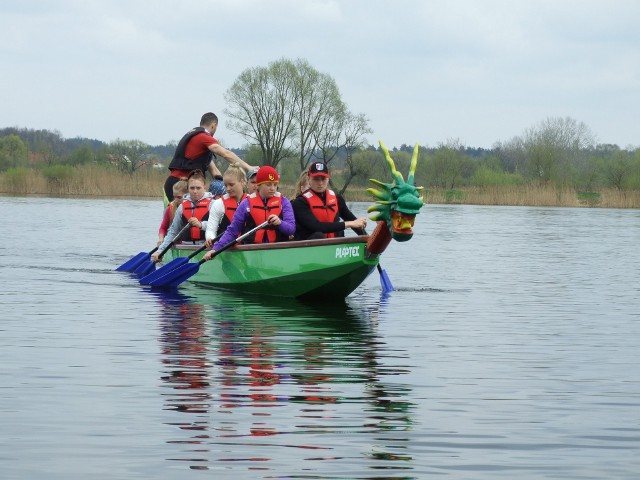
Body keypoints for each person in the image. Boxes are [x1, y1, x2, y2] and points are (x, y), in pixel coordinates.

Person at [203, 166, 295, 259]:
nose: (272, 188)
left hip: (277, 251)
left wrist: (280, 223)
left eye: (275, 185)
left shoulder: (284, 202)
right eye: (268, 185)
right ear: (258, 185)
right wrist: (215, 249)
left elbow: (291, 229)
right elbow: (232, 231)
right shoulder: (246, 204)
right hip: (254, 253)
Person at [163, 112, 256, 201]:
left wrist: (228, 187)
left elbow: (215, 172)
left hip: (175, 183)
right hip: (179, 185)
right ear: (213, 125)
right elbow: (225, 154)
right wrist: (249, 167)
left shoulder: (198, 145)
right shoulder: (202, 137)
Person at [291, 161, 367, 240]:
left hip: (336, 246)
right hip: (310, 245)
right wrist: (349, 224)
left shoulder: (337, 199)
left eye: (323, 179)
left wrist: (367, 239)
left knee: (342, 231)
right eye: (316, 179)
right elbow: (315, 226)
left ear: (328, 179)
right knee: (318, 235)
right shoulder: (299, 202)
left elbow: (352, 221)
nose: (320, 183)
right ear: (309, 179)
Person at [152, 170, 213, 263]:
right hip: (186, 249)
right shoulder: (182, 207)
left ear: (204, 187)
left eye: (198, 188)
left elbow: (219, 227)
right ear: (188, 189)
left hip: (206, 249)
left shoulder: (213, 204)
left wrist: (201, 225)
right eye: (192, 188)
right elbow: (173, 232)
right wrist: (160, 251)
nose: (195, 191)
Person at [204, 164, 248, 245]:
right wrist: (210, 238)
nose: (228, 189)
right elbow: (210, 229)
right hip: (225, 250)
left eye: (231, 185)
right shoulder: (218, 204)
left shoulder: (251, 202)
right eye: (225, 185)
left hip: (249, 250)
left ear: (242, 182)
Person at [157, 179, 188, 246]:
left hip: (188, 243)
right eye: (174, 197)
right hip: (173, 243)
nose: (175, 200)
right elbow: (163, 227)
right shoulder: (170, 209)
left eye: (179, 197)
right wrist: (161, 239)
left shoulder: (193, 208)